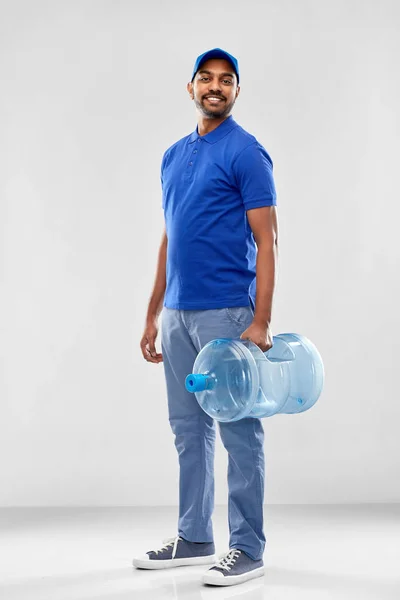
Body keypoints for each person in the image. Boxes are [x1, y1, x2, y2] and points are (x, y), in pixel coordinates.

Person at [133, 48, 278, 587]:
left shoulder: (247, 152)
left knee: (239, 430)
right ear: (191, 88)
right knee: (188, 429)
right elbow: (171, 237)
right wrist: (153, 313)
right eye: (206, 78)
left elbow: (267, 241)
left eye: (226, 80)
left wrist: (260, 320)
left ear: (237, 92)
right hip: (177, 314)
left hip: (227, 314)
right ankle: (195, 536)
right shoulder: (173, 155)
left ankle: (249, 546)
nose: (215, 87)